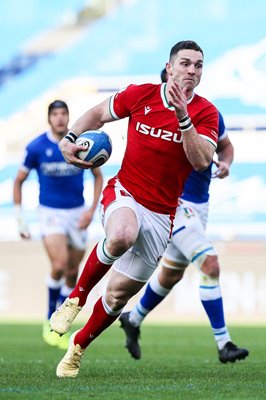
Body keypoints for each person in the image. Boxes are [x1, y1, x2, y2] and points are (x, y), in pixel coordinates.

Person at [49, 40, 219, 378]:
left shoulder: (205, 112)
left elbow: (201, 162)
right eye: (185, 63)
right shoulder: (141, 94)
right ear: (169, 68)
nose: (192, 70)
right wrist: (70, 138)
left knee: (116, 297)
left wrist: (183, 117)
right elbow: (98, 114)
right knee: (122, 235)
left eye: (198, 65)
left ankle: (78, 347)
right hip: (125, 192)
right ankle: (76, 299)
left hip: (162, 215)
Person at [118, 69, 249, 364]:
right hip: (175, 204)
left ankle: (133, 319)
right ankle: (224, 343)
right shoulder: (157, 117)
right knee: (209, 262)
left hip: (199, 206)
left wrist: (225, 164)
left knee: (172, 274)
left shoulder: (208, 113)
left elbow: (225, 146)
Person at [13, 100, 103, 349]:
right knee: (60, 264)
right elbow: (18, 181)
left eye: (64, 113)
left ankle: (60, 322)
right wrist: (20, 218)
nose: (60, 118)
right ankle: (49, 317)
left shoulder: (81, 145)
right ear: (49, 118)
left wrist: (91, 211)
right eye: (56, 114)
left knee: (73, 272)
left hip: (78, 213)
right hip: (50, 212)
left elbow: (97, 176)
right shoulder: (37, 147)